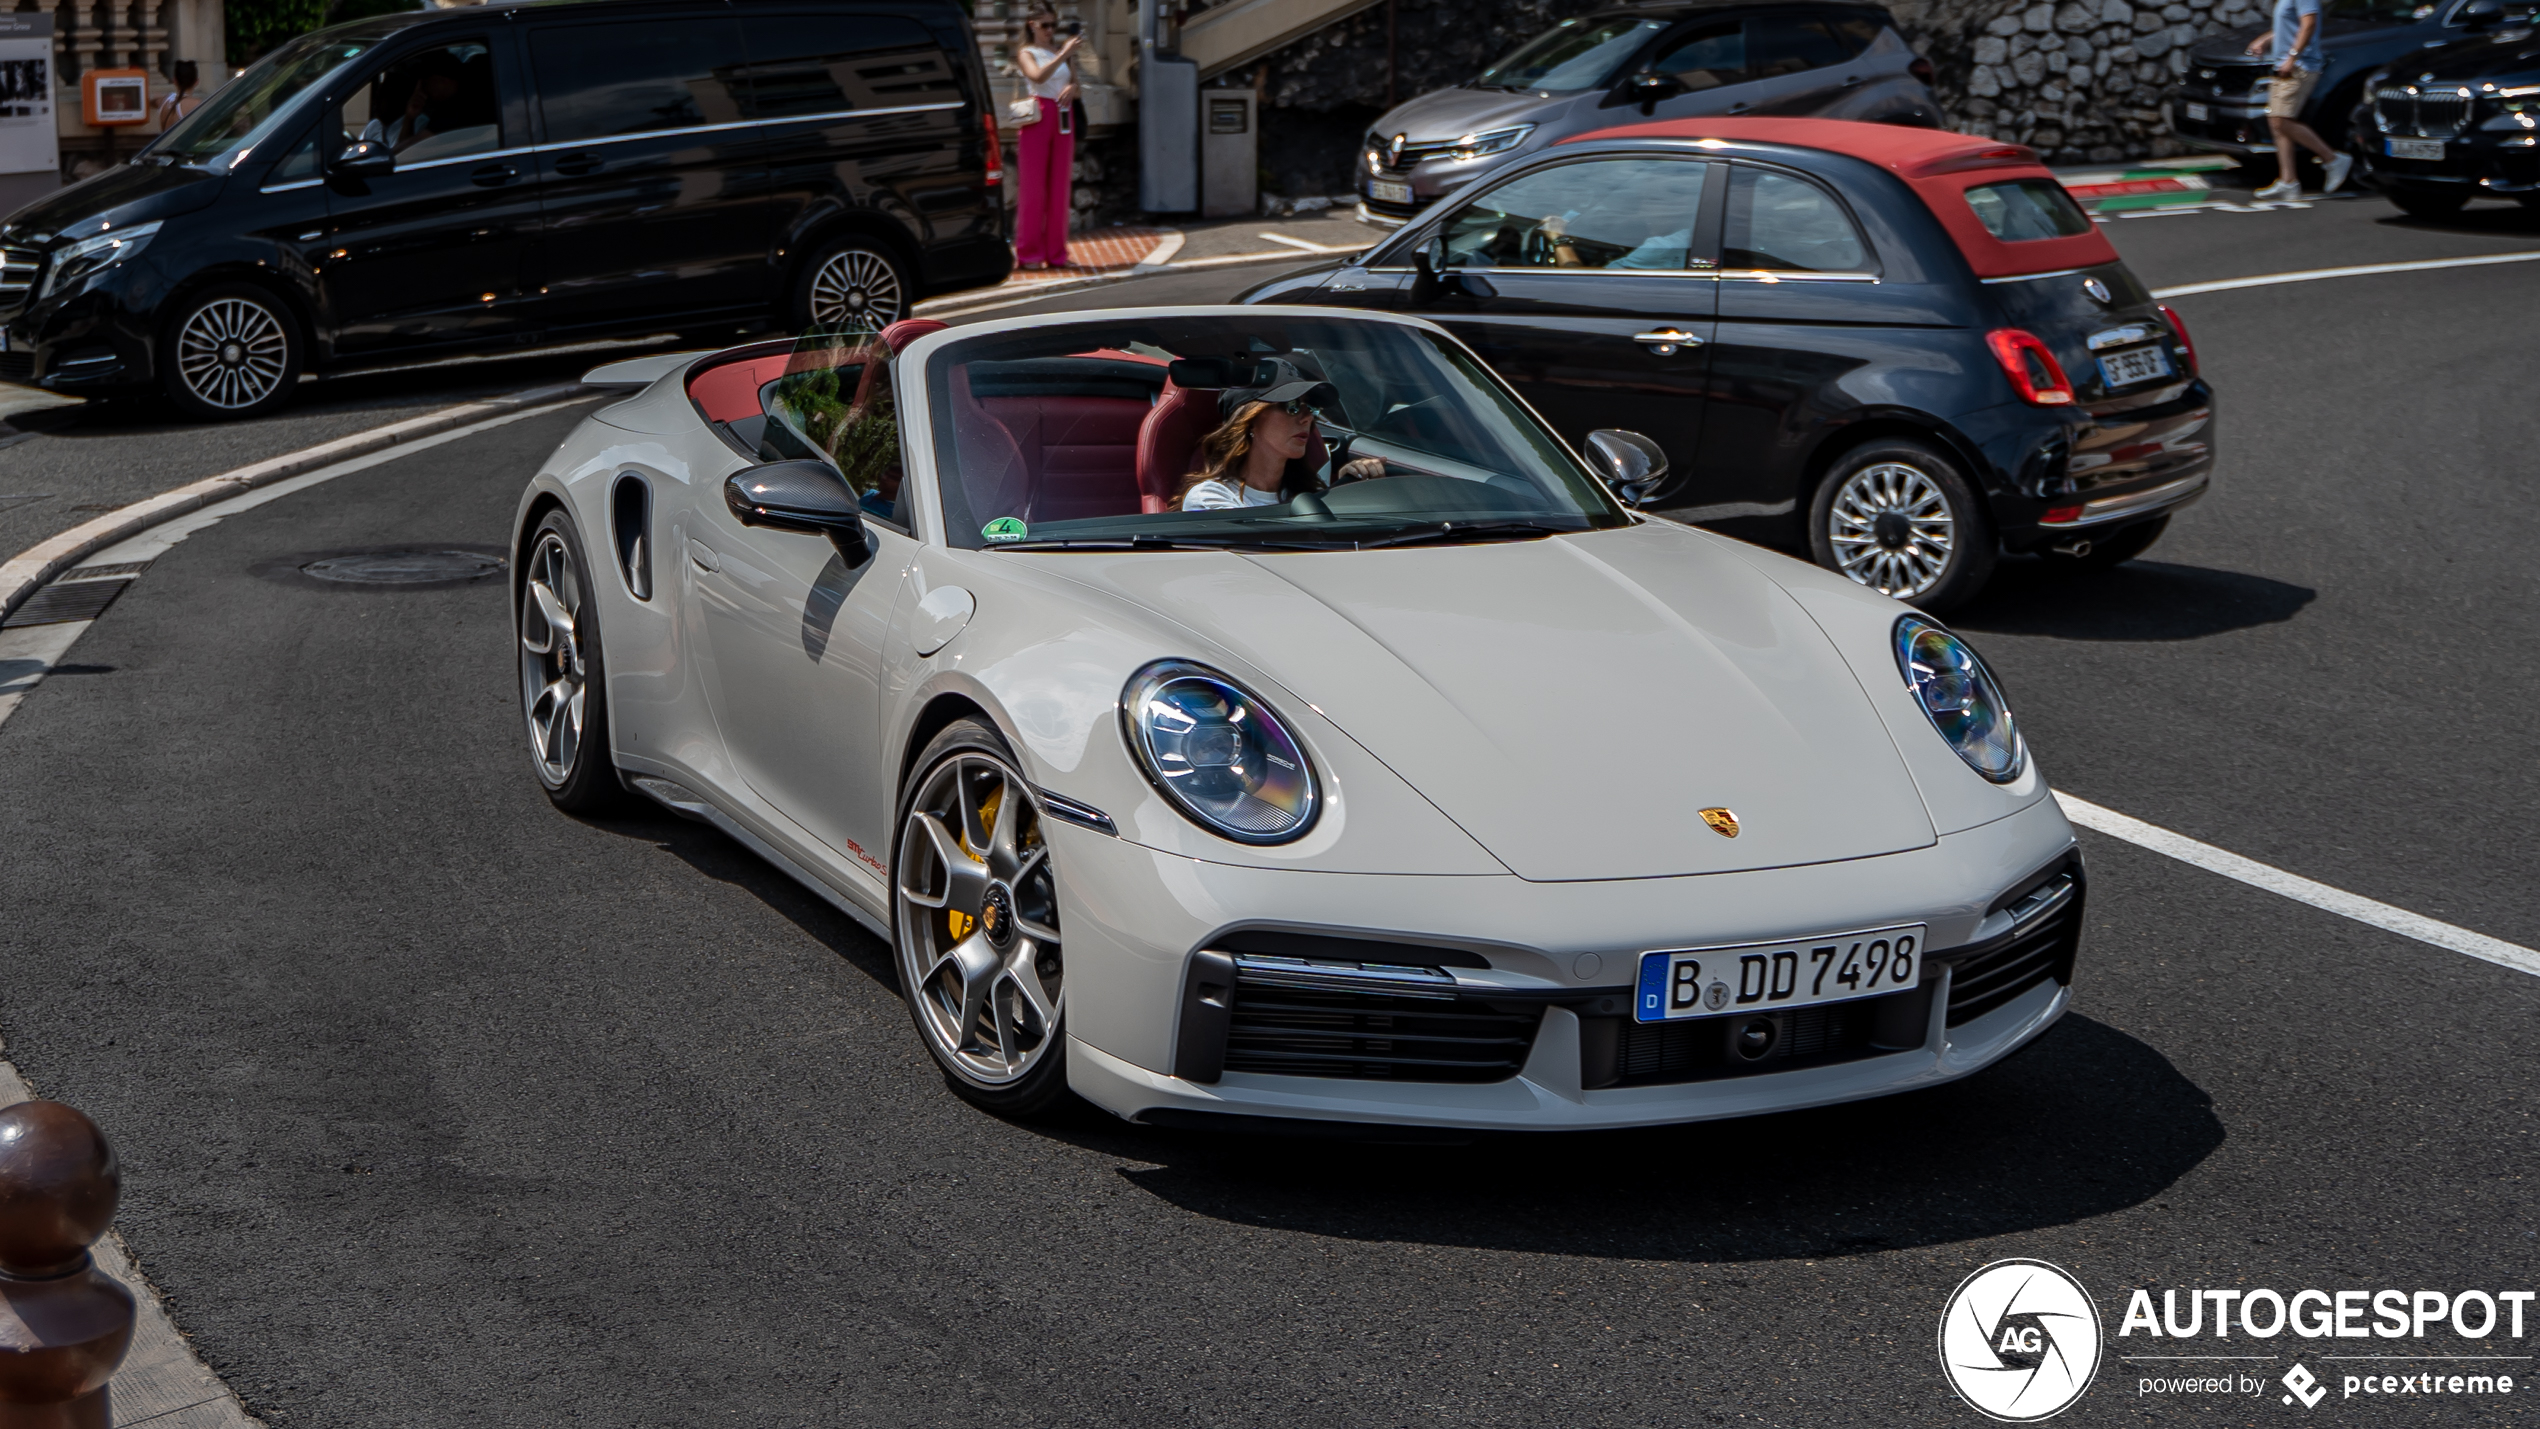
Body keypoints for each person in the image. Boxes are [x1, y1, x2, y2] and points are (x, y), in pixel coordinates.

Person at [1177, 360, 1382, 511]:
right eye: (1291, 406)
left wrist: (1345, 490)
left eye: (1310, 407)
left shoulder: (1306, 493)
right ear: (1250, 420)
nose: (1307, 418)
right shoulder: (1209, 498)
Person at [2246, 0, 2352, 201]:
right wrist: (2265, 39)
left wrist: (2292, 58)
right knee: (2276, 122)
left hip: (2301, 67)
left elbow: (2309, 23)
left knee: (2281, 119)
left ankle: (2333, 159)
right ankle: (2288, 182)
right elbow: (2289, 27)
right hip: (2284, 66)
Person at [1013, 9, 1081, 271]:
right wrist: (1063, 53)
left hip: (1063, 115)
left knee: (1060, 188)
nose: (1050, 30)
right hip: (1038, 115)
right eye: (1045, 25)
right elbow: (1037, 77)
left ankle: (1056, 253)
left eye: (1054, 25)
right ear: (1032, 25)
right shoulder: (1027, 52)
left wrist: (1073, 88)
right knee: (1033, 188)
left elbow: (1076, 86)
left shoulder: (1061, 51)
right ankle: (1029, 253)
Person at [155, 60, 202, 131]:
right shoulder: (196, 104)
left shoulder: (163, 101)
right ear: (196, 82)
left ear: (174, 80)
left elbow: (152, 100)